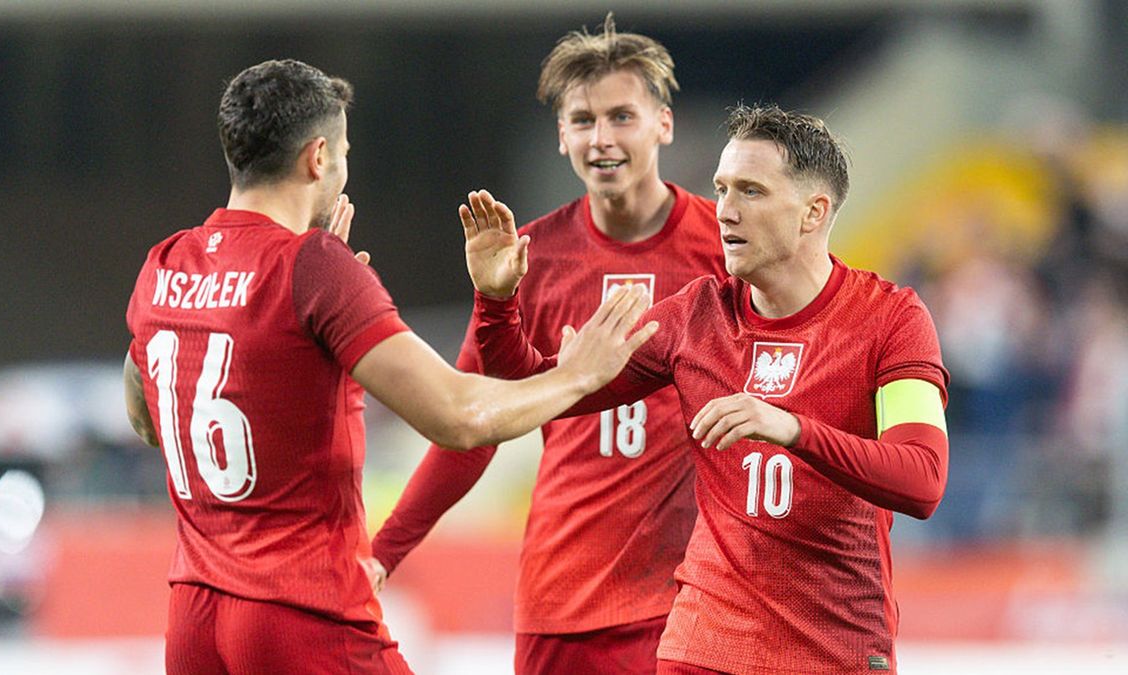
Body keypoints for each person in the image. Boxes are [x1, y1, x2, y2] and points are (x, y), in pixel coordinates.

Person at [122, 58, 657, 675]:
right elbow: (459, 417)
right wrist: (579, 374)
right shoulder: (316, 266)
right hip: (300, 612)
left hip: (192, 618)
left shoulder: (166, 261)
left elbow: (145, 412)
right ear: (318, 157)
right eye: (344, 150)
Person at [463, 104, 950, 674]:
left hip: (833, 648)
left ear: (814, 212)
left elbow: (921, 479)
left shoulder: (890, 319)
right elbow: (537, 391)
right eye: (721, 189)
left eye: (750, 191)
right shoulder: (695, 317)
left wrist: (791, 429)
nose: (724, 211)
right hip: (704, 646)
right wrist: (497, 305)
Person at [368, 15, 725, 674]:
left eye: (622, 116)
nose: (603, 138)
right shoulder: (529, 257)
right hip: (562, 604)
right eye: (583, 120)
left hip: (689, 601)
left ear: (663, 124)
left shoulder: (725, 252)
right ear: (562, 136)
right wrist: (384, 552)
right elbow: (472, 426)